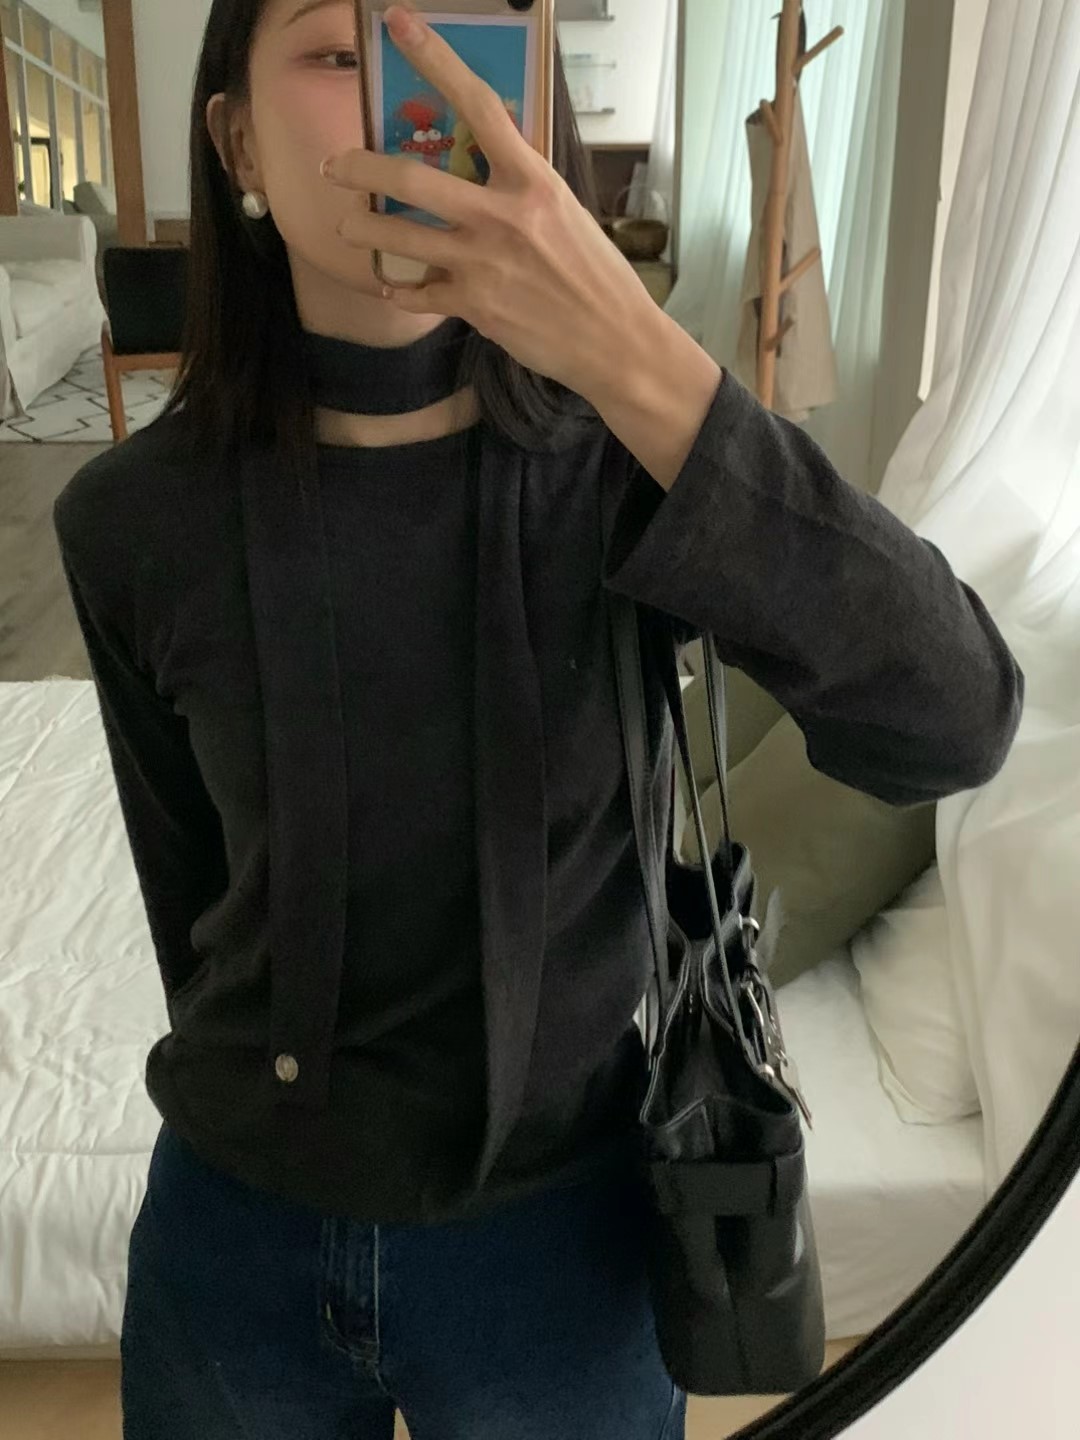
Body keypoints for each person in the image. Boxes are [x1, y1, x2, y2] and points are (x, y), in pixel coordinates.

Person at [52, 3, 1024, 1437]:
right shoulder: (129, 522)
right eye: (338, 51)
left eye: (448, 43)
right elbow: (190, 901)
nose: (404, 100)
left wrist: (637, 356)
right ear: (237, 142)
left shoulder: (626, 462)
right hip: (233, 1237)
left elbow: (954, 719)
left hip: (562, 1250)